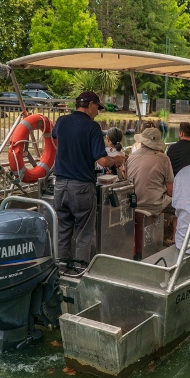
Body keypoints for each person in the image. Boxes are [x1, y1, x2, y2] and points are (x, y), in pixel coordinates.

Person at [51, 91, 124, 262]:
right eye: (97, 107)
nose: (97, 112)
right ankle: (80, 271)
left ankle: (62, 268)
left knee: (63, 232)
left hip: (60, 185)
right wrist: (117, 159)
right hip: (81, 188)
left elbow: (54, 138)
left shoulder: (62, 121)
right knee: (84, 234)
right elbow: (102, 160)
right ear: (90, 104)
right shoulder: (92, 127)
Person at [125, 127, 174, 215]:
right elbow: (170, 190)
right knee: (181, 207)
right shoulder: (163, 159)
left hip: (133, 203)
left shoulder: (131, 157)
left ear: (142, 141)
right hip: (156, 205)